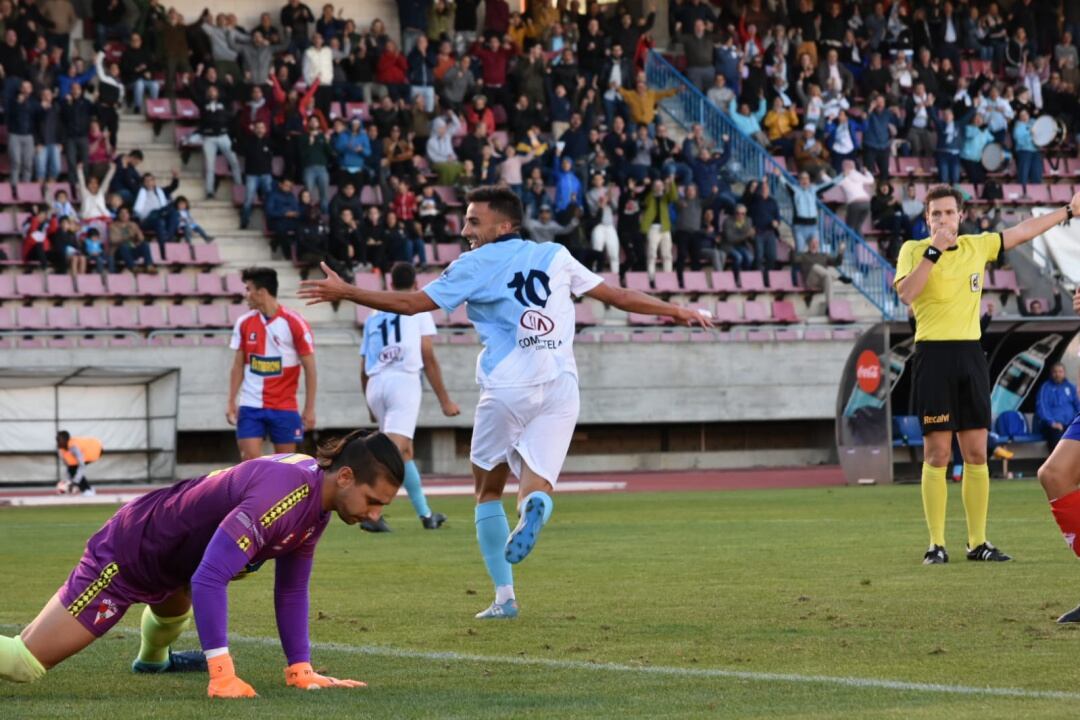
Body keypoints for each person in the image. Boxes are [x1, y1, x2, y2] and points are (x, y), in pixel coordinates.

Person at [298, 186, 712, 619]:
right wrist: (678, 311)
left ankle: (505, 598)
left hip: (508, 385)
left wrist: (348, 292)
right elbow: (618, 297)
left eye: (474, 221)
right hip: (561, 385)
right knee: (536, 484)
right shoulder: (556, 254)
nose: (464, 229)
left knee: (486, 489)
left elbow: (412, 302)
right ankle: (536, 507)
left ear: (505, 225)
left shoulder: (473, 264)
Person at [0, 432, 402, 697]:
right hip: (131, 552)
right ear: (346, 476)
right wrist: (221, 672)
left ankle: (153, 660)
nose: (374, 515)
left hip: (172, 561)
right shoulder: (288, 495)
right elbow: (211, 577)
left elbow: (292, 588)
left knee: (177, 603)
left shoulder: (318, 502)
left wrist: (301, 669)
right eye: (374, 501)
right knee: (23, 664)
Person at [896, 186, 1080, 566]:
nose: (943, 220)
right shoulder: (913, 251)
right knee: (938, 453)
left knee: (977, 452)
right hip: (932, 354)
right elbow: (907, 295)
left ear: (962, 216)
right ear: (927, 219)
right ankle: (936, 544)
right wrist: (933, 251)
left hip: (969, 354)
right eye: (936, 214)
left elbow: (1023, 231)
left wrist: (1066, 211)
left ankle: (978, 542)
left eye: (949, 213)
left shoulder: (977, 247)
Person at [359, 263, 461, 533]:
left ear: (391, 284)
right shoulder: (417, 307)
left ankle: (426, 515)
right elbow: (427, 355)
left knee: (405, 452)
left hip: (375, 383)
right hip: (403, 381)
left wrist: (368, 400)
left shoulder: (374, 314)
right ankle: (371, 511)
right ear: (416, 284)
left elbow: (363, 363)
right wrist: (445, 400)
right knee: (391, 452)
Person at [227, 268, 317, 461]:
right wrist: (231, 401)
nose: (246, 295)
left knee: (285, 464)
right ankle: (253, 492)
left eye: (248, 289)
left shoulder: (294, 322)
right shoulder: (244, 323)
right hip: (251, 404)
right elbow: (237, 366)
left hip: (284, 405)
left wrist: (309, 408)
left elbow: (310, 368)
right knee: (249, 460)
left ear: (261, 292)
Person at [1035, 363, 1080, 449]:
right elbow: (1042, 408)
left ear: (1064, 373)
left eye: (1060, 371)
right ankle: (1060, 462)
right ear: (1051, 373)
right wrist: (1052, 422)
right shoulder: (1045, 388)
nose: (1057, 374)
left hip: (1070, 424)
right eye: (1055, 372)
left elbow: (1078, 405)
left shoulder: (1070, 387)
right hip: (1052, 425)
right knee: (1058, 440)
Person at [55, 432, 100, 496]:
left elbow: (81, 465)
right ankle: (88, 489)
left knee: (75, 470)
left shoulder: (74, 447)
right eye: (56, 440)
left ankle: (87, 490)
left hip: (95, 450)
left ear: (65, 440)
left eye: (59, 440)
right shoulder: (61, 450)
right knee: (72, 470)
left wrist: (75, 482)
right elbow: (68, 466)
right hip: (83, 457)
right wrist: (69, 481)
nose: (57, 442)